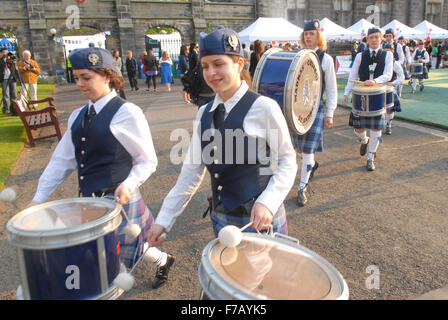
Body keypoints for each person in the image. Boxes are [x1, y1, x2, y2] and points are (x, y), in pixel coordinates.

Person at [28, 47, 175, 289]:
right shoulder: (77, 115)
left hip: (120, 200)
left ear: (107, 76)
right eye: (76, 78)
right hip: (89, 201)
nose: (80, 84)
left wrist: (128, 184)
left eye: (86, 78)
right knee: (104, 251)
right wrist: (38, 198)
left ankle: (156, 263)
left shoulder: (127, 112)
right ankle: (163, 260)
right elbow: (61, 161)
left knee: (122, 253)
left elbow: (147, 160)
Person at [146, 27, 297, 249]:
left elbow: (287, 160)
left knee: (267, 282)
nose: (211, 73)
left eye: (219, 64)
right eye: (205, 66)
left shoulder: (264, 107)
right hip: (222, 220)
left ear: (239, 64)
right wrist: (163, 221)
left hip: (261, 219)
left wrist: (268, 202)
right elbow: (190, 174)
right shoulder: (204, 112)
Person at [293, 20, 337, 207]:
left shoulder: (326, 59)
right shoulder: (297, 56)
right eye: (306, 34)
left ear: (318, 36)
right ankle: (310, 166)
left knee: (308, 150)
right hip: (297, 110)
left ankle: (302, 188)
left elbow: (332, 89)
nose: (308, 37)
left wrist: (330, 113)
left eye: (312, 33)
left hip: (315, 109)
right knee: (298, 149)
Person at [342, 27, 393, 172]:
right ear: (368, 39)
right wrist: (346, 94)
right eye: (371, 37)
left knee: (376, 129)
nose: (374, 40)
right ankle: (364, 140)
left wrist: (375, 81)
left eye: (377, 37)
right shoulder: (360, 56)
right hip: (361, 96)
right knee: (358, 128)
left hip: (377, 95)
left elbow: (388, 75)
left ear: (381, 39)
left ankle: (370, 157)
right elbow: (352, 77)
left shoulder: (387, 55)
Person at [382, 43, 404, 135]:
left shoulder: (396, 64)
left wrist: (393, 83)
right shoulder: (379, 62)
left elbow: (401, 77)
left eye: (389, 51)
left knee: (390, 109)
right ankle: (380, 124)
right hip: (380, 89)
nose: (387, 53)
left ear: (393, 51)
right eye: (385, 51)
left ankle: (388, 125)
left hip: (391, 89)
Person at [0, 48, 19, 115]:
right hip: (4, 79)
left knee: (14, 94)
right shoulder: (1, 60)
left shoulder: (10, 59)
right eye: (4, 53)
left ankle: (13, 109)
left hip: (12, 78)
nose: (6, 54)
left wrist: (12, 60)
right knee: (6, 95)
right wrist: (3, 58)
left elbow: (14, 67)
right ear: (1, 53)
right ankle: (5, 110)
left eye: (7, 53)